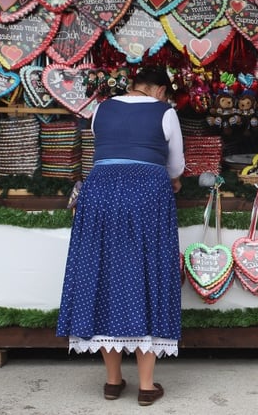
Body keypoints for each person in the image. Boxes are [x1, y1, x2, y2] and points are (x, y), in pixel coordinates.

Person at [56, 65, 185, 407]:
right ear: (160, 90)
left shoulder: (101, 109)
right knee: (148, 276)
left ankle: (113, 382)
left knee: (104, 276)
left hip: (100, 193)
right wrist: (172, 179)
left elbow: (106, 151)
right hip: (146, 195)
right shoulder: (165, 112)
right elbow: (176, 166)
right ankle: (146, 386)